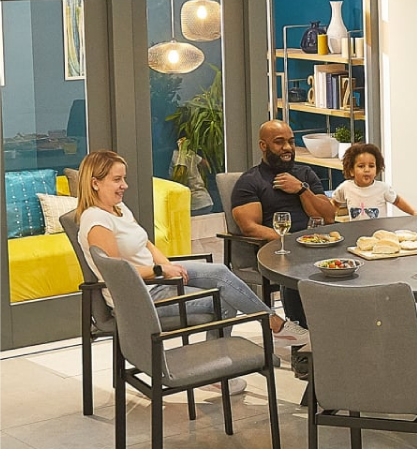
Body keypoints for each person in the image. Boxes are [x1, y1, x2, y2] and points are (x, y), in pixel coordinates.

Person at [75, 151, 307, 393]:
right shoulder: (97, 222)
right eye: (117, 180)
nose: (125, 185)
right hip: (142, 297)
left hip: (156, 280)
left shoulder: (117, 208)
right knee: (225, 298)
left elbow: (146, 243)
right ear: (95, 182)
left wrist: (169, 267)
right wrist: (160, 271)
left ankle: (268, 329)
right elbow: (119, 274)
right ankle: (255, 340)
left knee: (219, 272)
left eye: (124, 178)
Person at [231, 120, 336, 330]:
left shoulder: (305, 174)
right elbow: (250, 227)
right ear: (263, 145)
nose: (287, 148)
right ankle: (300, 333)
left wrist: (300, 189)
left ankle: (341, 328)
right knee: (295, 265)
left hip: (316, 243)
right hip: (278, 247)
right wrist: (286, 241)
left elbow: (328, 216)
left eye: (290, 141)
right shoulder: (250, 181)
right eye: (279, 142)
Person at [331, 143, 417, 219]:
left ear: (377, 169)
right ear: (351, 170)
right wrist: (328, 218)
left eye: (371, 166)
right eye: (361, 166)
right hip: (357, 234)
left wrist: (414, 213)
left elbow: (398, 201)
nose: (367, 170)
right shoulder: (346, 187)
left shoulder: (383, 188)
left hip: (380, 234)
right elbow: (335, 203)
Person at [169, 137, 213, 216]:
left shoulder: (174, 156)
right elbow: (206, 164)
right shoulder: (191, 154)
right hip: (205, 200)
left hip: (192, 204)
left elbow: (177, 179)